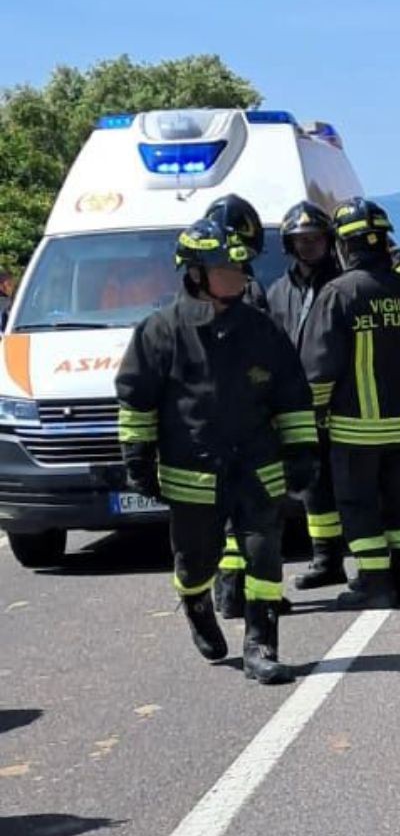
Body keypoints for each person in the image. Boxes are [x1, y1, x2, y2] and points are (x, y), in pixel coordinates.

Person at [114, 217, 318, 684]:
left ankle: (261, 646)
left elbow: (292, 395)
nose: (242, 276)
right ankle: (195, 602)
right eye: (230, 267)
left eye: (244, 266)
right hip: (194, 473)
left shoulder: (261, 330)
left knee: (264, 552)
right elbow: (136, 400)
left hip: (256, 467)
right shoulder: (159, 332)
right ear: (196, 273)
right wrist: (137, 458)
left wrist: (303, 450)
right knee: (195, 560)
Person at [301, 199, 400, 609]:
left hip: (355, 427)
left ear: (344, 245)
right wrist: (392, 252)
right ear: (384, 242)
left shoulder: (338, 293)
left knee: (359, 505)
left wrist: (314, 420)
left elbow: (319, 368)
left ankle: (375, 582)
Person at [264, 201, 347, 590]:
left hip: (344, 406)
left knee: (353, 487)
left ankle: (374, 566)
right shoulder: (277, 292)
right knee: (312, 489)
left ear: (328, 241)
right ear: (289, 245)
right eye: (300, 240)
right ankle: (326, 560)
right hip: (294, 408)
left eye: (315, 238)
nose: (308, 245)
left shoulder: (344, 285)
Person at [202, 194, 274, 618]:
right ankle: (240, 595)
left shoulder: (194, 291)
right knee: (252, 519)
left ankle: (230, 593)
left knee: (231, 520)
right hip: (247, 421)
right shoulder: (247, 291)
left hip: (211, 426)